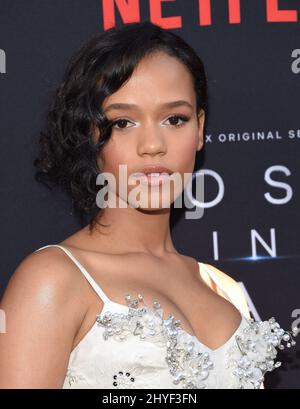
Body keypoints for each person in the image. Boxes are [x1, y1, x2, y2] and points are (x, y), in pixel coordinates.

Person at [0, 22, 297, 389]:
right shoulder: (53, 279)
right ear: (90, 133)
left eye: (175, 119)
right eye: (123, 122)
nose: (153, 144)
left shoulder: (224, 289)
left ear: (200, 128)